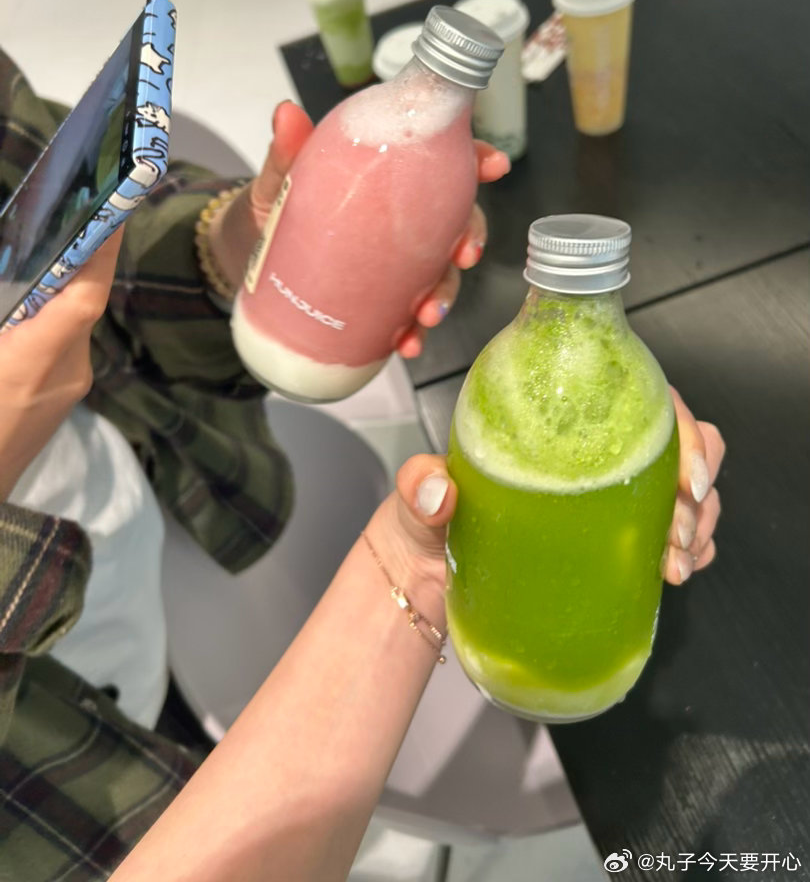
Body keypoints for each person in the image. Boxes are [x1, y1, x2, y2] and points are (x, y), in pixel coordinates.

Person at [0, 48, 723, 880]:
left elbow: (55, 208)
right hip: (62, 791)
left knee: (183, 722)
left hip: (138, 554)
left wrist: (239, 248)